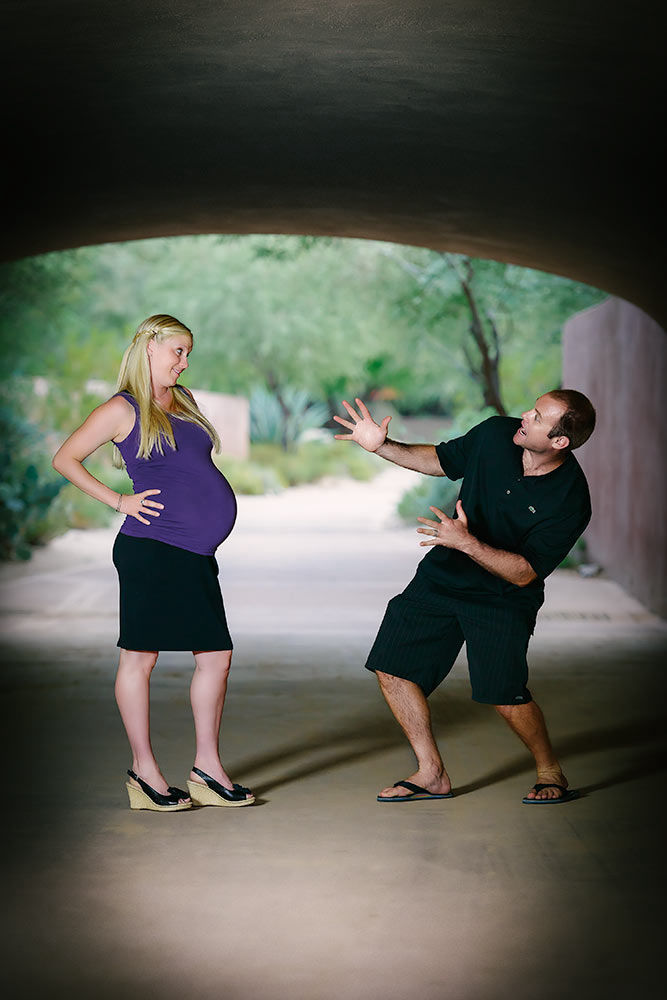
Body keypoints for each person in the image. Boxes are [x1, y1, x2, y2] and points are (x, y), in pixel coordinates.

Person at [333, 390, 596, 805]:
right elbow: (438, 460)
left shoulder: (570, 500)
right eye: (532, 407)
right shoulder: (496, 435)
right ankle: (431, 772)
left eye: (538, 416)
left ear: (559, 441)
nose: (525, 415)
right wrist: (381, 445)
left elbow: (526, 573)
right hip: (443, 578)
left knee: (504, 693)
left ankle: (550, 771)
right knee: (392, 667)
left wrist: (467, 542)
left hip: (503, 597)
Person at [53, 314, 254, 811]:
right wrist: (119, 501)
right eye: (177, 351)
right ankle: (145, 773)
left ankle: (208, 768)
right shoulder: (121, 408)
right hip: (152, 549)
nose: (185, 362)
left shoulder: (181, 400)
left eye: (188, 352)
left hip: (195, 552)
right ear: (148, 347)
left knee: (215, 656)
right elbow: (65, 458)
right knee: (140, 659)